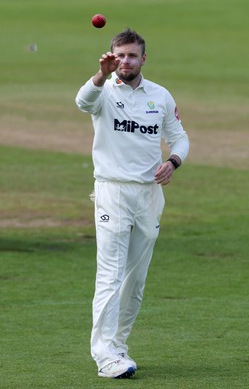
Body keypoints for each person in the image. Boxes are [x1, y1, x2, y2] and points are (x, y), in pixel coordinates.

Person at [75, 28, 189, 379]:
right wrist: (100, 75)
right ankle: (104, 354)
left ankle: (119, 346)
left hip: (149, 195)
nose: (125, 61)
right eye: (120, 55)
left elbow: (179, 138)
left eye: (132, 55)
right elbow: (82, 101)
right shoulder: (103, 91)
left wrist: (172, 162)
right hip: (112, 190)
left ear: (143, 59)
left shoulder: (160, 95)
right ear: (111, 57)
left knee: (135, 280)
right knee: (110, 274)